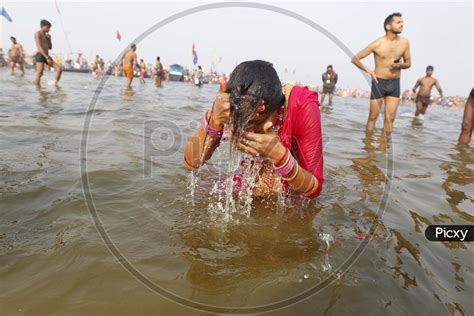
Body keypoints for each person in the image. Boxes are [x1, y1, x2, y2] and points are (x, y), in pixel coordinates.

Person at [184, 60, 324, 199]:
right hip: (251, 181)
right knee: (203, 189)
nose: (247, 129)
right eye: (243, 123)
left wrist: (281, 158)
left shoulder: (302, 106)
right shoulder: (233, 106)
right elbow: (191, 163)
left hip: (292, 184)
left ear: (277, 110)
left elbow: (314, 189)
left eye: (256, 122)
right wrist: (214, 120)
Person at [351, 12, 411, 133]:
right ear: (388, 26)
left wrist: (401, 65)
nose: (402, 24)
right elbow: (355, 59)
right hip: (379, 82)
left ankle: (384, 148)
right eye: (398, 22)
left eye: (402, 22)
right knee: (373, 117)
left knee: (390, 118)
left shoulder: (404, 43)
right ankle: (368, 148)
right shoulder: (378, 43)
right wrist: (369, 71)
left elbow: (408, 63)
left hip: (395, 83)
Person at [34, 19, 62, 86]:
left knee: (59, 69)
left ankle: (54, 84)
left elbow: (50, 47)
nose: (49, 29)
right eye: (48, 27)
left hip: (46, 55)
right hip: (40, 55)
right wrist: (46, 58)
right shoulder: (38, 34)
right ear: (42, 26)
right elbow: (39, 47)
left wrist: (49, 39)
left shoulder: (46, 36)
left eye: (49, 28)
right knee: (40, 73)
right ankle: (37, 87)